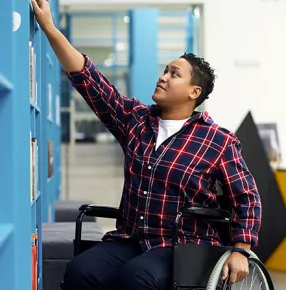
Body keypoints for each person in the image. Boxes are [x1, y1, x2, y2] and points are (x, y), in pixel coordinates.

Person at [31, 0, 262, 289]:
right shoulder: (136, 120)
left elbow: (247, 197)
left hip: (183, 247)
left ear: (195, 92)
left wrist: (241, 248)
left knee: (136, 279)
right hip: (132, 239)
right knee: (81, 270)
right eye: (165, 70)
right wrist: (50, 28)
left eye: (174, 74)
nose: (163, 77)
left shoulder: (218, 140)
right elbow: (90, 82)